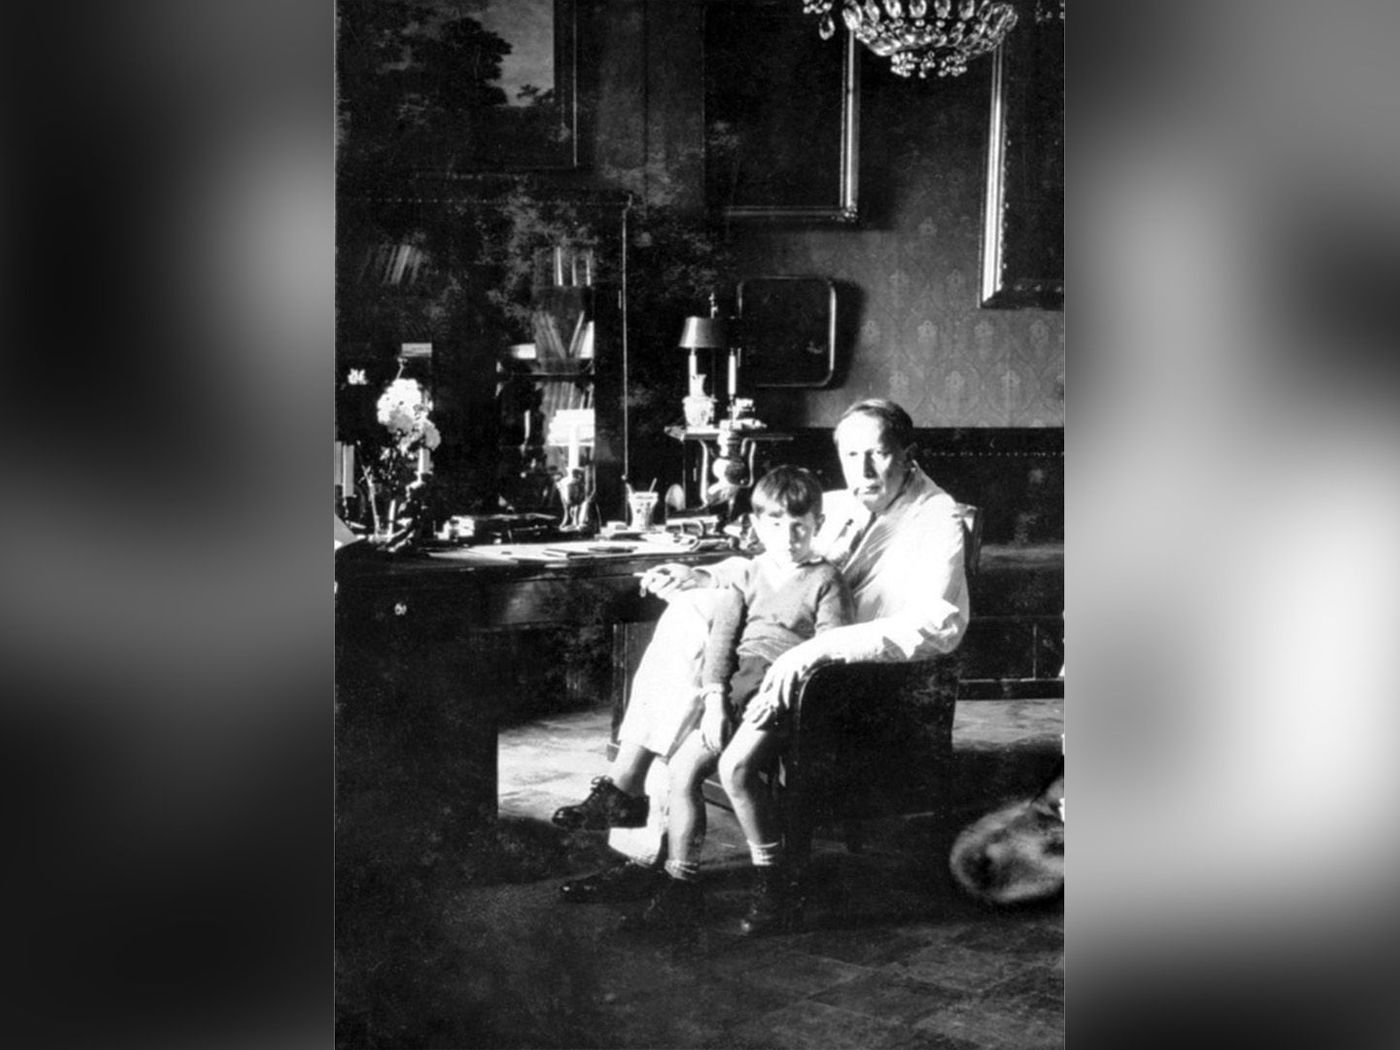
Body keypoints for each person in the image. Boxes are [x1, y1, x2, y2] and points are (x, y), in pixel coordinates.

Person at [554, 398, 970, 904]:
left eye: (877, 454)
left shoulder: (938, 518)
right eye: (850, 455)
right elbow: (775, 568)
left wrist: (815, 652)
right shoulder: (841, 504)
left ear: (908, 454)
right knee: (689, 615)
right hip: (788, 652)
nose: (862, 470)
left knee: (695, 681)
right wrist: (702, 576)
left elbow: (937, 624)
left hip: (860, 680)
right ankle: (631, 808)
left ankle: (640, 835)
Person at [621, 466, 853, 936]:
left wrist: (783, 689)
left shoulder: (827, 579)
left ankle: (774, 881)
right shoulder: (747, 573)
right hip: (735, 688)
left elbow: (831, 648)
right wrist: (714, 701)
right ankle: (682, 888)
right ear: (756, 525)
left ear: (819, 524)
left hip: (785, 694)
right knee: (681, 771)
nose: (788, 537)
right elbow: (722, 644)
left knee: (735, 769)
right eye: (775, 524)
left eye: (799, 526)